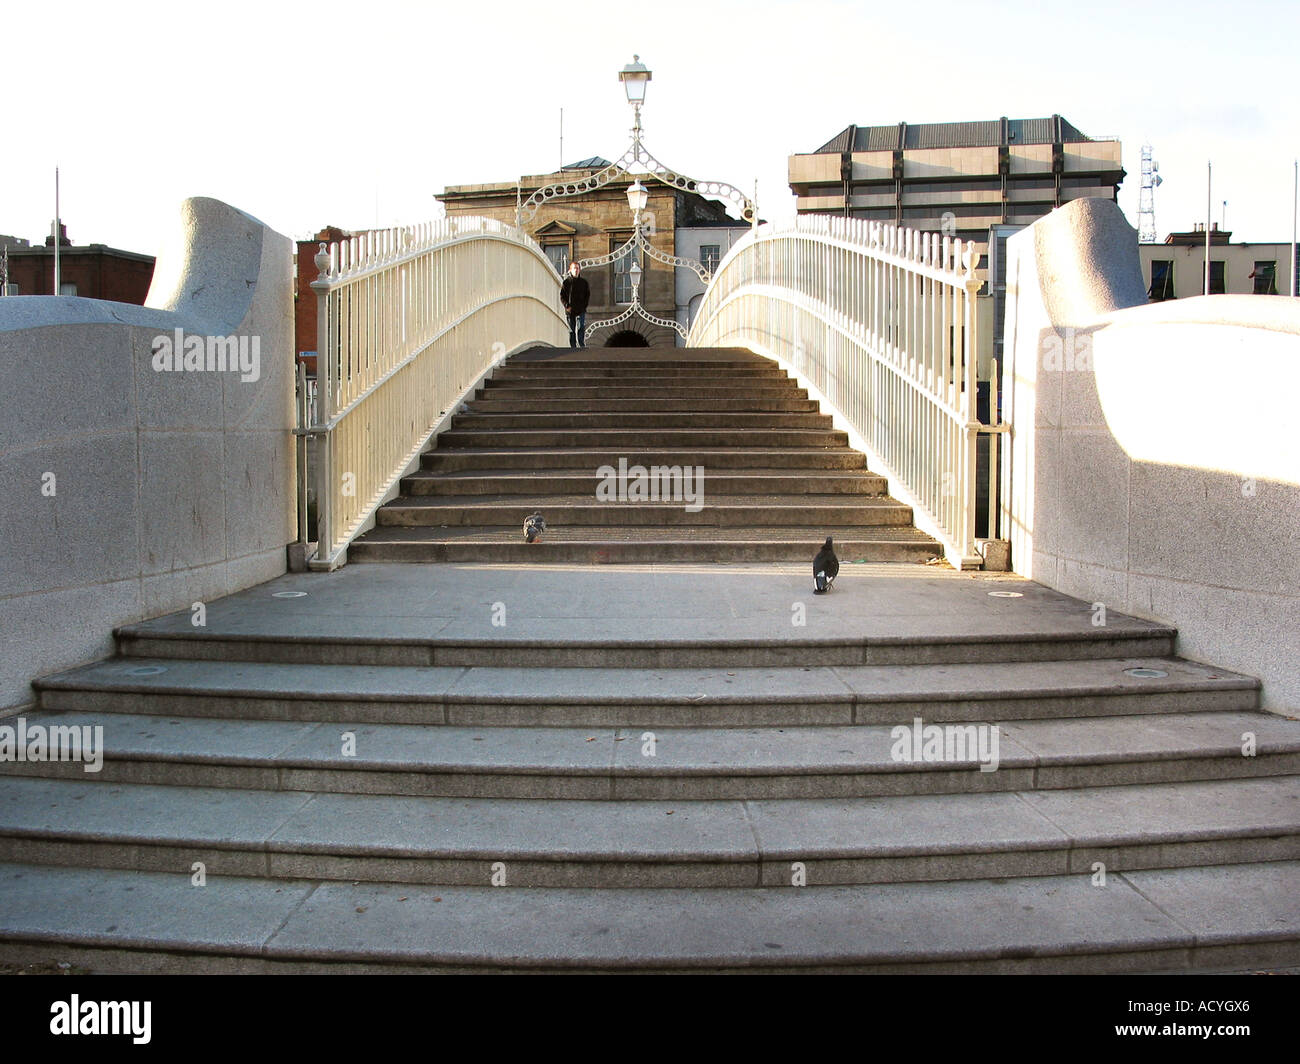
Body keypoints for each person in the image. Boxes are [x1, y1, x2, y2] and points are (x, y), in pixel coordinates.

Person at [560, 261, 590, 349]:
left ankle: (581, 344)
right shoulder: (566, 282)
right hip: (570, 310)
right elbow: (562, 296)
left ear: (579, 270)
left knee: (581, 327)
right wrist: (567, 306)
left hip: (581, 309)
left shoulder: (584, 283)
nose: (576, 270)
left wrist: (584, 306)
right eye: (574, 268)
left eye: (577, 268)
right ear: (570, 270)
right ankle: (573, 346)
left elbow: (587, 296)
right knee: (571, 330)